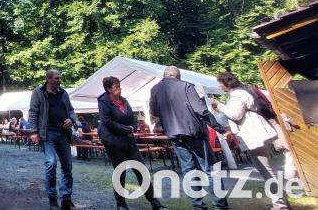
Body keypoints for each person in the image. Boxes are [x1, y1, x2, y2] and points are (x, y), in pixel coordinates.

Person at [149, 66, 229, 210]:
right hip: (194, 133)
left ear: (165, 75)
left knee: (189, 171)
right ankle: (220, 206)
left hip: (174, 135)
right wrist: (220, 129)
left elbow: (154, 112)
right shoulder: (186, 86)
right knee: (211, 170)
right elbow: (202, 111)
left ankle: (198, 206)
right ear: (178, 76)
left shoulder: (155, 89)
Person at [211, 72, 290, 210]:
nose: (219, 86)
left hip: (254, 135)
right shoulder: (238, 93)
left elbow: (235, 115)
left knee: (266, 170)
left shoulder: (237, 94)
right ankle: (281, 202)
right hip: (256, 133)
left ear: (226, 83)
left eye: (220, 83)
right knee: (267, 169)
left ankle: (280, 205)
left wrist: (219, 105)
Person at [98, 76, 168, 210]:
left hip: (129, 140)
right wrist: (127, 129)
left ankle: (155, 204)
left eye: (119, 86)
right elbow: (107, 122)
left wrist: (133, 127)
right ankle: (121, 204)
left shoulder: (123, 100)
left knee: (141, 170)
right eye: (116, 87)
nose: (120, 89)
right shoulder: (103, 102)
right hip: (114, 142)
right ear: (108, 89)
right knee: (120, 172)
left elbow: (132, 117)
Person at [29, 69, 77, 210]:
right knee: (51, 163)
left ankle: (66, 199)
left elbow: (71, 110)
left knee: (67, 166)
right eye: (57, 78)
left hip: (63, 133)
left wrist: (71, 119)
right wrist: (33, 131)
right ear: (48, 79)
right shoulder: (38, 92)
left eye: (60, 78)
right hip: (47, 133)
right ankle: (52, 199)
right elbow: (33, 112)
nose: (60, 80)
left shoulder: (63, 93)